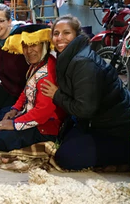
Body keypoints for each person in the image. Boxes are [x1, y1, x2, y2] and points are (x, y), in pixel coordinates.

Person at [41, 14, 130, 170]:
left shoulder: (83, 62)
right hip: (95, 120)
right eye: (56, 33)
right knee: (63, 134)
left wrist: (56, 95)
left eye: (66, 33)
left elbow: (85, 109)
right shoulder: (69, 56)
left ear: (76, 35)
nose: (60, 37)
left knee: (66, 157)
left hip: (116, 126)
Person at [0, 24, 66, 152]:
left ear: (44, 45)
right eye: (25, 46)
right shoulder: (37, 64)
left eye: (34, 45)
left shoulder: (47, 73)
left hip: (44, 126)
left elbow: (42, 113)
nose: (29, 51)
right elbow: (26, 91)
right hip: (29, 112)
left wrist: (14, 124)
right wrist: (15, 109)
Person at [0, 3, 29, 113]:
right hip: (7, 86)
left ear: (9, 21)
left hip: (25, 90)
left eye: (1, 21)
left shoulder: (22, 38)